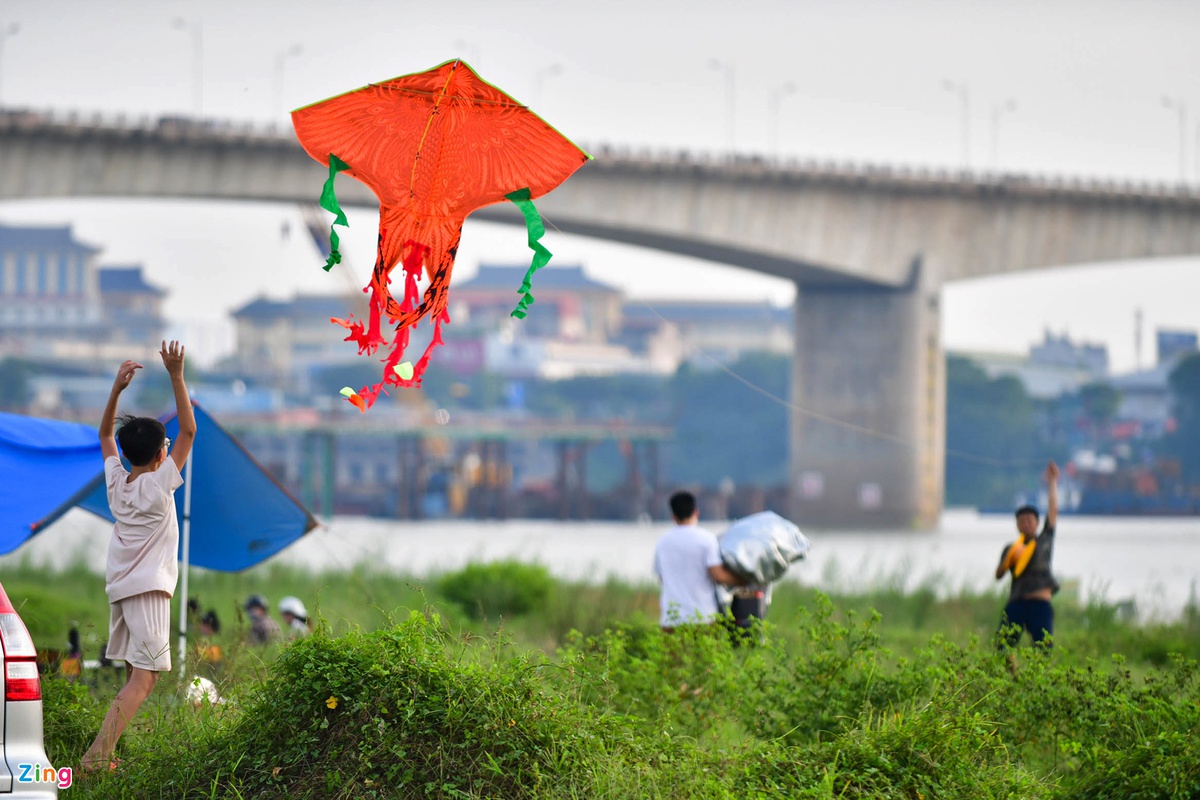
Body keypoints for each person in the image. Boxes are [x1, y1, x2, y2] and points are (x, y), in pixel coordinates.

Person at [80, 341, 196, 773]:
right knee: (145, 680)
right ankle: (96, 758)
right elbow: (189, 432)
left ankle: (103, 757)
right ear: (161, 455)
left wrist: (116, 389)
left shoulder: (118, 483)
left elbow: (106, 435)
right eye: (166, 446)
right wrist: (177, 375)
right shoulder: (158, 487)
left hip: (123, 590)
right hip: (147, 591)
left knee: (136, 674)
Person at [653, 490, 744, 630]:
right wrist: (743, 580)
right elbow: (718, 575)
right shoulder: (707, 539)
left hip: (671, 619)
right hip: (702, 617)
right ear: (696, 512)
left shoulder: (662, 542)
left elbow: (661, 577)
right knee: (704, 652)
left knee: (673, 652)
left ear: (673, 516)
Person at [995, 460, 1061, 650]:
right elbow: (998, 575)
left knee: (1043, 649)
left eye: (1029, 521)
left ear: (1037, 523)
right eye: (1021, 521)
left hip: (1040, 603)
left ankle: (1036, 680)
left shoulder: (1044, 540)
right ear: (1017, 525)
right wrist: (1009, 560)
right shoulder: (1010, 548)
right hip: (1017, 602)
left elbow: (1053, 510)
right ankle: (1014, 678)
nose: (1025, 524)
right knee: (1002, 646)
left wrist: (1052, 481)